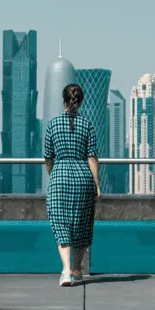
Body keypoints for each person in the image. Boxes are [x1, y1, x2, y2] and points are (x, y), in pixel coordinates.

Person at [43, 82, 101, 286]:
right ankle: (77, 269)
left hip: (60, 176)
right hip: (83, 178)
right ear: (81, 102)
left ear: (63, 101)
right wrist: (97, 184)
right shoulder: (87, 125)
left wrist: (54, 175)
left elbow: (48, 157)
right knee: (82, 224)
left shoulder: (52, 125)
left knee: (61, 225)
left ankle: (66, 271)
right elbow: (92, 158)